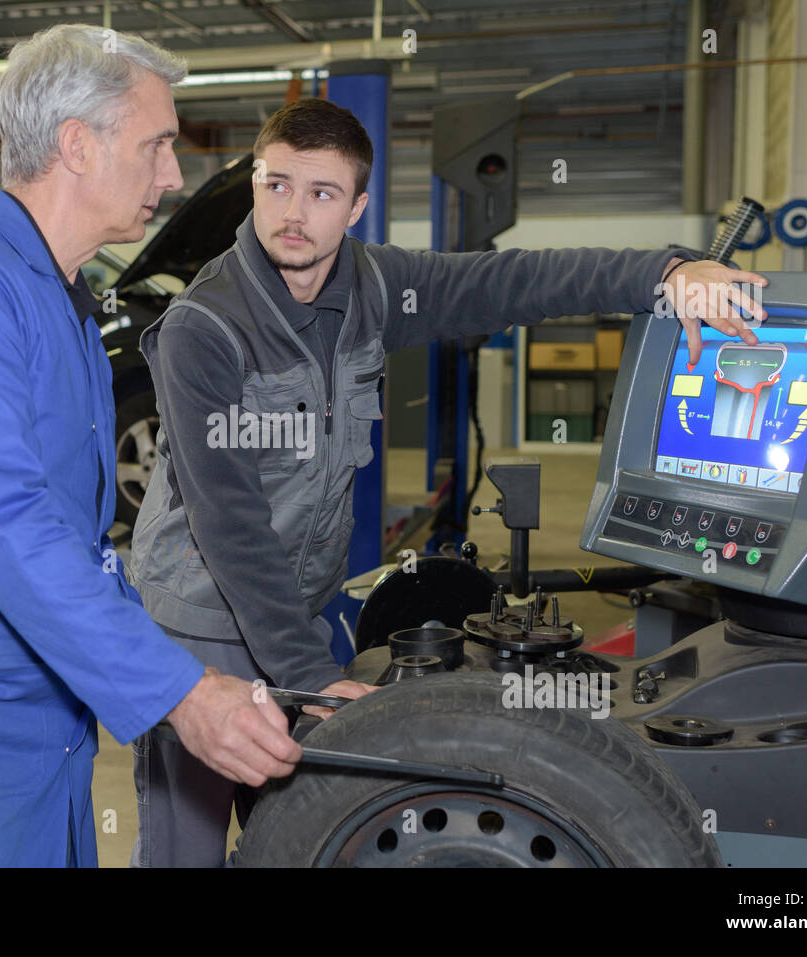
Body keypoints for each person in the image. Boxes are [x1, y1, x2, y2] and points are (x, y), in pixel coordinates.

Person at [127, 97, 766, 867]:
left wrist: (664, 273)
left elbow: (514, 281)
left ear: (357, 206)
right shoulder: (207, 326)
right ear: (256, 185)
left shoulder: (373, 287)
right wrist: (312, 678)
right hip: (200, 620)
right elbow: (229, 523)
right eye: (278, 186)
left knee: (306, 827)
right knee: (186, 847)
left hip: (294, 602)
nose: (293, 214)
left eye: (322, 193)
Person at [0, 24, 301, 868]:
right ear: (78, 145)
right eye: (156, 145)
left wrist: (185, 671)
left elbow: (79, 547)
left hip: (47, 732)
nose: (173, 175)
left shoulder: (63, 298)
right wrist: (180, 693)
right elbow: (3, 525)